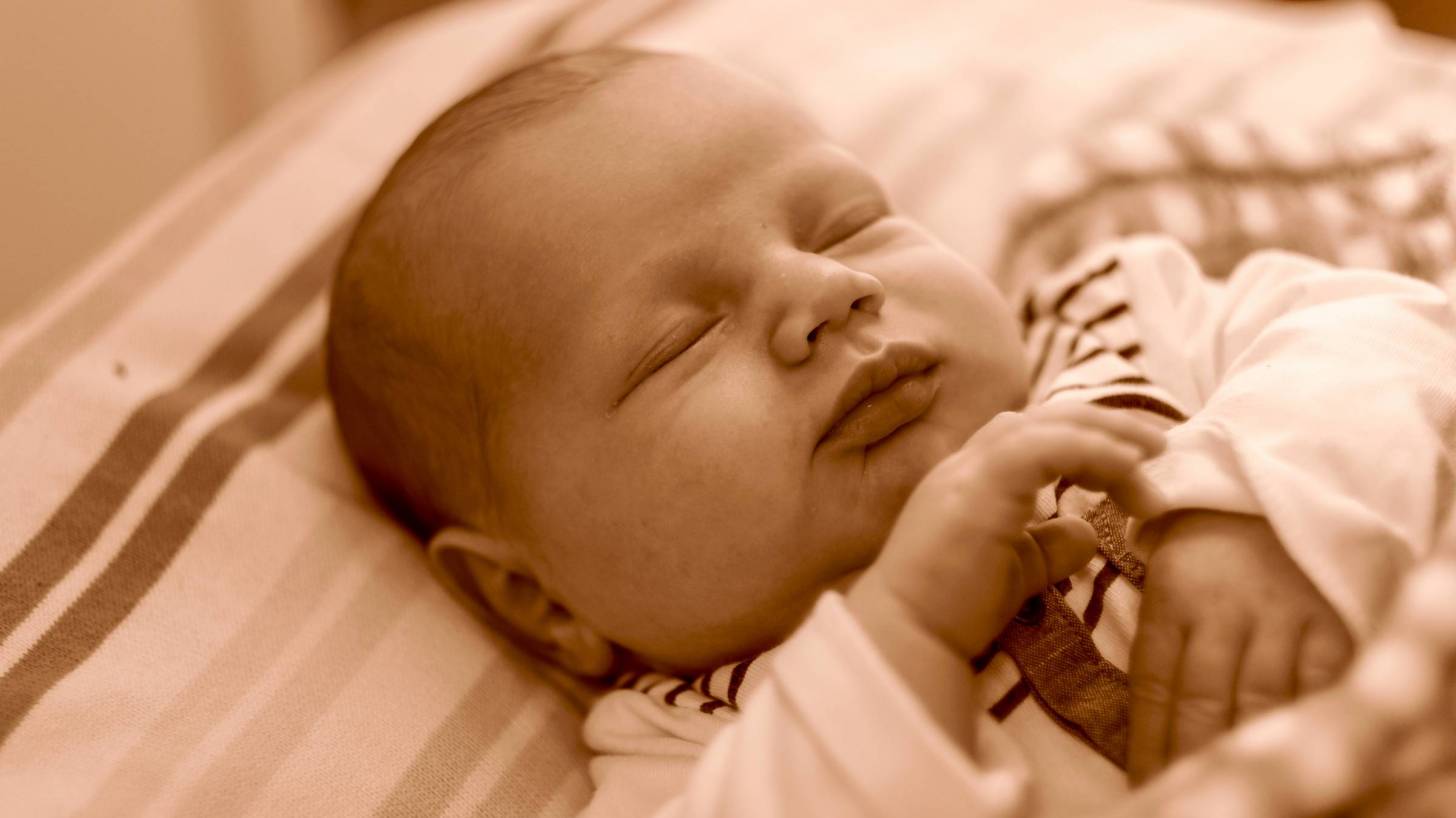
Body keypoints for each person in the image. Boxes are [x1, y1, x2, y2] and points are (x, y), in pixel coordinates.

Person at [324, 47, 1456, 816]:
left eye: (847, 223)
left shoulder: (1112, 327)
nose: (826, 291)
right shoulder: (699, 749)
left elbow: (1387, 330)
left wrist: (1249, 502)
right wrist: (903, 626)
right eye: (677, 341)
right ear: (537, 600)